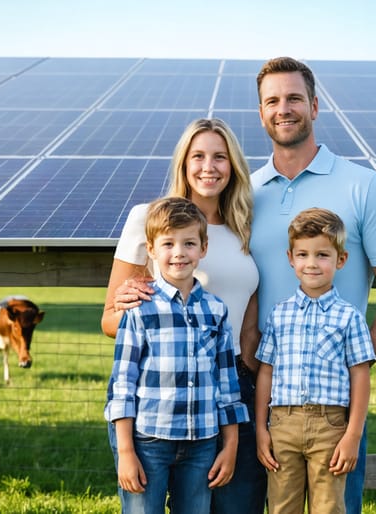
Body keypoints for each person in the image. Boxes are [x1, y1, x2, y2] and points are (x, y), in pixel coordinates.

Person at [250, 56, 376, 514]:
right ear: (261, 111)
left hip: (332, 405)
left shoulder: (363, 186)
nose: (283, 109)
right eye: (272, 101)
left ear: (315, 106)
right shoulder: (244, 192)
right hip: (256, 396)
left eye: (293, 98)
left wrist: (353, 366)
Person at [101, 118, 266, 513]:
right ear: (183, 163)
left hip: (233, 390)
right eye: (198, 156)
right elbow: (110, 318)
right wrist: (134, 309)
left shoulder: (246, 225)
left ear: (234, 166)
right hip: (163, 394)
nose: (208, 167)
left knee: (237, 506)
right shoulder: (149, 218)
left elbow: (247, 321)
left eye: (220, 157)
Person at [255, 208, 375, 514]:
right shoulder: (279, 314)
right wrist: (261, 428)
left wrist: (353, 435)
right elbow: (266, 372)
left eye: (322, 255)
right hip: (282, 423)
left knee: (329, 507)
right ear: (290, 258)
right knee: (281, 506)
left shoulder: (349, 317)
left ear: (340, 259)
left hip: (330, 425)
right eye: (303, 254)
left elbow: (360, 376)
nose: (312, 263)